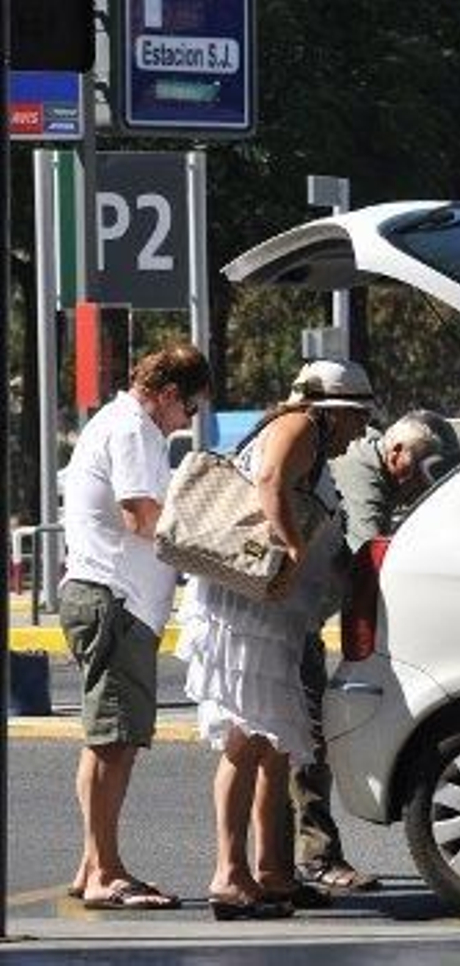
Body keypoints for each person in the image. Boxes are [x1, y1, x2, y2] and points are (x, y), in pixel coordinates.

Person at [176, 360, 374, 920]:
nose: (360, 431)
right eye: (357, 417)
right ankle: (229, 876)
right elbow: (269, 483)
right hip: (249, 613)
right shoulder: (301, 425)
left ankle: (272, 873)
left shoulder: (312, 437)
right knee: (246, 742)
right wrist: (291, 548)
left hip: (273, 615)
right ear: (335, 411)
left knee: (274, 745)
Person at [61, 342, 212, 911]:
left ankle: (91, 865)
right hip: (115, 600)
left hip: (113, 600)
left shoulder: (123, 425)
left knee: (107, 740)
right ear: (169, 394)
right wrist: (208, 541)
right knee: (113, 743)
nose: (188, 421)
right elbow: (141, 516)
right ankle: (107, 873)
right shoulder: (133, 432)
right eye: (190, 409)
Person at [290, 410, 460, 895]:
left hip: (294, 618)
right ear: (398, 452)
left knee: (289, 742)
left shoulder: (372, 463)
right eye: (422, 468)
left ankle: (278, 866)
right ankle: (314, 858)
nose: (420, 483)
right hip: (287, 620)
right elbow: (370, 561)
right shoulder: (365, 471)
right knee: (306, 740)